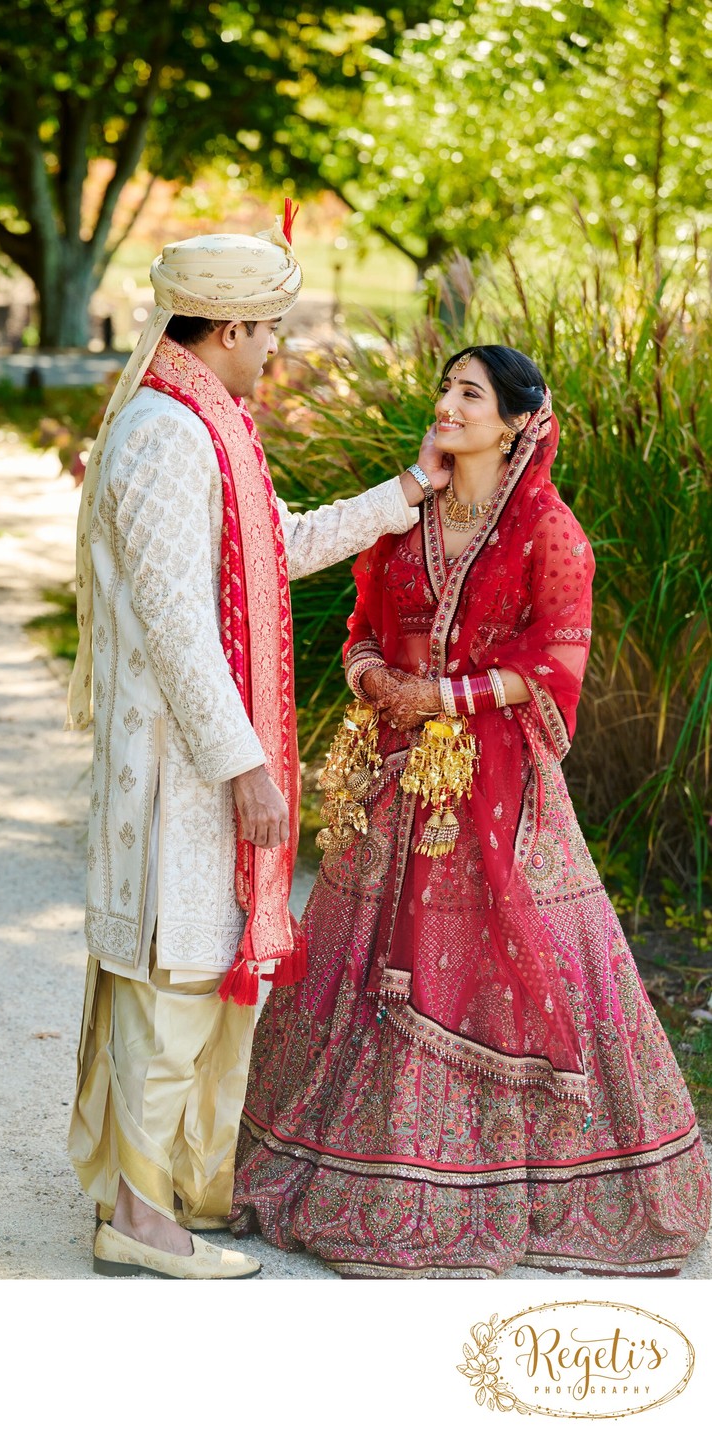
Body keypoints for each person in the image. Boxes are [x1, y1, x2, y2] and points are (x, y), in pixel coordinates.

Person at [231, 345, 711, 1278]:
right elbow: (361, 626)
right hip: (392, 774)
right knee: (360, 956)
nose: (446, 405)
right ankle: (345, 1163)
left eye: (469, 394)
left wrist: (441, 700)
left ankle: (521, 1181)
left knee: (519, 945)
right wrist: (375, 675)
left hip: (495, 785)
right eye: (444, 389)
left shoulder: (549, 531)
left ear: (518, 420)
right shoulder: (406, 518)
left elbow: (552, 666)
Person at [65, 213, 436, 1279]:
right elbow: (181, 626)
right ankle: (135, 1219)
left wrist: (402, 494)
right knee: (173, 982)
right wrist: (246, 766)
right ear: (225, 325)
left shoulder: (207, 420)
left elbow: (280, 547)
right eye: (270, 326)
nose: (280, 345)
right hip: (182, 765)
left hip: (204, 757)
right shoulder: (169, 435)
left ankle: (186, 1184)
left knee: (210, 974)